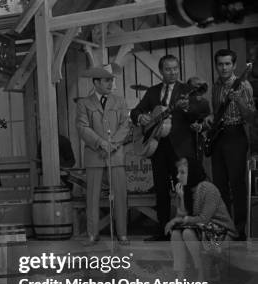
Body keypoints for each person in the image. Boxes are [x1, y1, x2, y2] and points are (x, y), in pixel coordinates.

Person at [131, 55, 210, 242]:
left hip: (181, 148)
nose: (173, 72)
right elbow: (136, 111)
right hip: (157, 147)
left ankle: (189, 231)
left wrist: (185, 109)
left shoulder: (187, 90)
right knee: (161, 190)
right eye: (168, 69)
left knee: (185, 190)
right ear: (161, 71)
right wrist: (140, 118)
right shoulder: (152, 92)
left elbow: (200, 113)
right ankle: (163, 231)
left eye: (175, 68)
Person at [200, 49, 255, 240]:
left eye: (227, 64)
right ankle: (224, 227)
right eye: (220, 64)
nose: (223, 68)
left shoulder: (244, 86)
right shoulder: (215, 85)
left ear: (234, 65)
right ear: (216, 66)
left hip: (236, 136)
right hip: (219, 137)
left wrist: (239, 100)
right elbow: (217, 112)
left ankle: (239, 230)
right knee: (220, 186)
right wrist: (210, 118)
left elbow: (250, 117)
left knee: (237, 185)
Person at [76, 66, 130, 245]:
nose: (110, 83)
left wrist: (112, 144)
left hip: (116, 155)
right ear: (96, 82)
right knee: (92, 197)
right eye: (106, 80)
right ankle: (93, 234)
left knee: (120, 196)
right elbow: (82, 127)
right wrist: (101, 143)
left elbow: (125, 126)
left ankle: (122, 233)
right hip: (94, 155)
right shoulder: (84, 103)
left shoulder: (120, 101)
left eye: (111, 80)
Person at [165, 157, 237, 281]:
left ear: (192, 172)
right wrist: (181, 198)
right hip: (200, 228)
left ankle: (201, 271)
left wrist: (181, 220)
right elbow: (181, 217)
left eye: (182, 172)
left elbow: (204, 218)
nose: (178, 176)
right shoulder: (186, 190)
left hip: (220, 230)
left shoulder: (207, 188)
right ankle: (180, 275)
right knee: (176, 234)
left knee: (187, 233)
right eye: (178, 172)